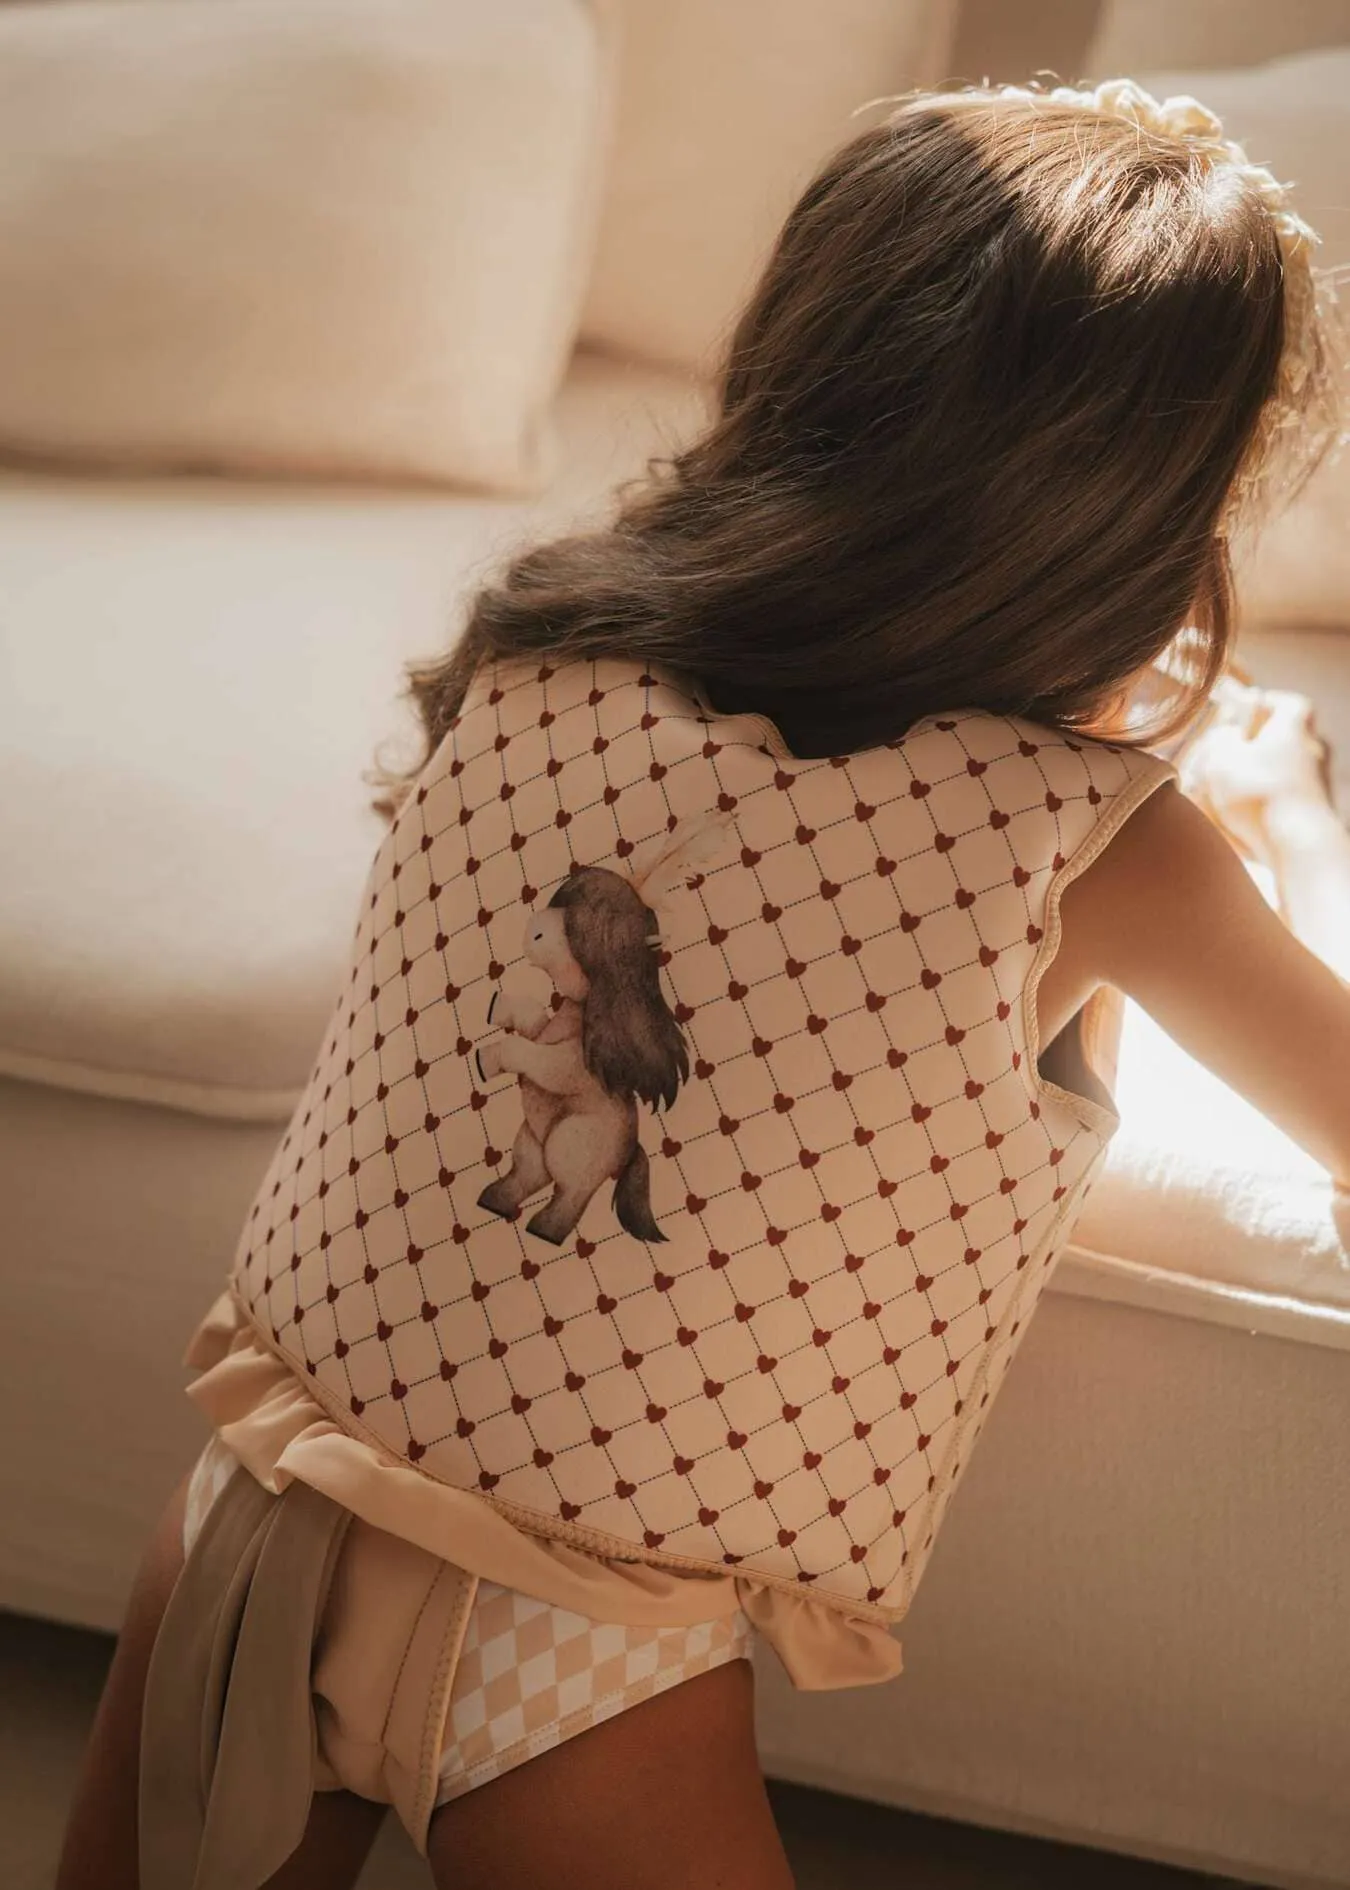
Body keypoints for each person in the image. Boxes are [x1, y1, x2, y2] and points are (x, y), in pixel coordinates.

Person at [57, 79, 1348, 1890]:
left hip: (256, 1507)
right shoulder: (1101, 844)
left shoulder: (532, 656)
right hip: (571, 1655)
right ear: (1154, 518)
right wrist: (1294, 827)